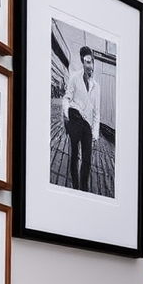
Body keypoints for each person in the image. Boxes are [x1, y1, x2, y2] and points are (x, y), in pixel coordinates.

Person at [62, 45, 100, 192]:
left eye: (91, 62)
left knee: (87, 159)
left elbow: (97, 112)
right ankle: (75, 186)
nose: (89, 65)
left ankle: (83, 188)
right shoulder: (75, 78)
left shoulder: (96, 86)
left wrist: (95, 134)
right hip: (74, 117)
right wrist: (66, 117)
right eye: (86, 62)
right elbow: (67, 98)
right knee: (74, 155)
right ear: (82, 62)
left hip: (87, 125)